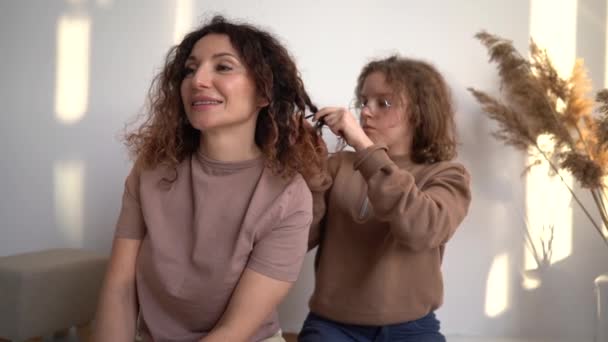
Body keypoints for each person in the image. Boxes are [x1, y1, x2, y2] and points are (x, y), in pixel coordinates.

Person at [92, 15, 327, 342]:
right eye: (190, 69)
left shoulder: (288, 196)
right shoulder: (149, 171)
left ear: (264, 93)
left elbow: (233, 331)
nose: (198, 80)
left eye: (223, 67)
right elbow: (119, 288)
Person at [300, 56, 471, 342]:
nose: (366, 112)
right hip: (332, 325)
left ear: (420, 112)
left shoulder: (448, 174)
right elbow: (298, 240)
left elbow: (422, 229)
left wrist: (363, 147)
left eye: (384, 103)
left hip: (412, 328)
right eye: (364, 101)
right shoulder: (338, 165)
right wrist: (311, 173)